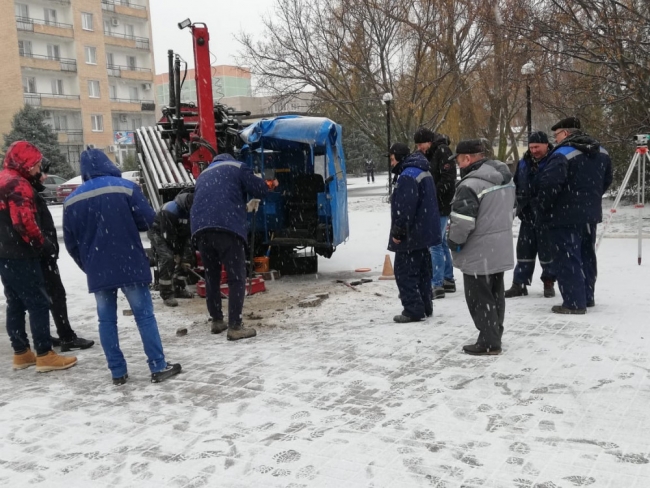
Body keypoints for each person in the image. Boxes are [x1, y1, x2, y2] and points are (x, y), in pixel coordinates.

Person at [63, 148, 181, 385]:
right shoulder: (125, 187)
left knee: (106, 321)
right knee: (144, 316)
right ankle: (157, 366)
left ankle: (118, 372)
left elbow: (71, 243)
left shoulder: (71, 200)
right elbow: (148, 220)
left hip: (98, 268)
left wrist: (89, 265)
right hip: (129, 263)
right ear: (106, 163)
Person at [0, 141, 77, 372]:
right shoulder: (18, 184)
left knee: (14, 302)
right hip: (22, 254)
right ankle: (45, 354)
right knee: (38, 303)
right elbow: (25, 223)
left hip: (4, 253)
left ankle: (21, 352)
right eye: (34, 165)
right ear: (23, 163)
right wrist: (43, 244)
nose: (37, 170)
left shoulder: (3, 179)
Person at [190, 153, 278, 340]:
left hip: (201, 229)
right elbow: (259, 189)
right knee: (236, 277)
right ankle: (235, 326)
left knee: (211, 276)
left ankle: (216, 320)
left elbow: (216, 200)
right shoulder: (238, 167)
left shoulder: (204, 174)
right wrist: (268, 184)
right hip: (227, 227)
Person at [536, 117, 612, 314]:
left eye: (557, 134)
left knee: (568, 257)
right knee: (587, 255)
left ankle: (573, 302)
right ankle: (587, 296)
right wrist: (590, 199)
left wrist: (544, 208)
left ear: (566, 133)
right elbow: (607, 180)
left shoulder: (562, 154)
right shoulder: (601, 151)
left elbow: (549, 186)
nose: (556, 138)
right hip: (589, 214)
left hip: (564, 216)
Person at [448, 139, 516, 355]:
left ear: (467, 158)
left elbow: (462, 222)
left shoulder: (470, 185)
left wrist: (453, 242)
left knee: (479, 297)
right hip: (499, 248)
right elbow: (514, 208)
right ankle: (494, 333)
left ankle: (488, 341)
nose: (458, 165)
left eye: (459, 160)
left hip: (478, 251)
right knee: (496, 293)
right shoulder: (506, 179)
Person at [30, 167, 95, 351]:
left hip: (37, 254)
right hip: (40, 255)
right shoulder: (28, 193)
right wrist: (47, 246)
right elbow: (31, 225)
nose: (45, 177)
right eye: (41, 173)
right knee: (54, 295)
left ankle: (45, 337)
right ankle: (65, 337)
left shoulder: (29, 192)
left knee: (45, 296)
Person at [388, 142, 440, 323]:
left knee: (404, 272)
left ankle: (412, 309)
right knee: (422, 271)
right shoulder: (421, 170)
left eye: (392, 159)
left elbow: (404, 208)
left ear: (399, 158)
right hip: (423, 232)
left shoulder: (407, 176)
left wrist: (398, 232)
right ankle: (425, 305)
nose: (391, 163)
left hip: (412, 234)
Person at [505, 131, 557, 299]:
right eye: (531, 147)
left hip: (547, 214)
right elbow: (517, 184)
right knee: (524, 251)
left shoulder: (554, 161)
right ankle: (519, 283)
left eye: (537, 146)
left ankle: (549, 282)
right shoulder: (523, 163)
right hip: (527, 213)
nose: (534, 150)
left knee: (546, 251)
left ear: (546, 145)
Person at [413, 127, 457, 299]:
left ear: (429, 142)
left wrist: (431, 195)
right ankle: (448, 278)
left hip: (439, 205)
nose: (419, 148)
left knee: (434, 244)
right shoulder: (432, 153)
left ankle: (437, 283)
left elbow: (447, 179)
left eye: (420, 144)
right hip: (437, 204)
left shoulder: (442, 152)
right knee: (441, 242)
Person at [147, 192, 195, 307]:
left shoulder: (192, 211)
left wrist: (185, 257)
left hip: (178, 233)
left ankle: (178, 287)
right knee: (167, 258)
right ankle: (166, 294)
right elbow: (168, 235)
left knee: (188, 259)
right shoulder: (170, 210)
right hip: (158, 232)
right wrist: (176, 254)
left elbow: (187, 235)